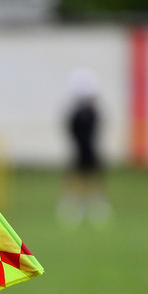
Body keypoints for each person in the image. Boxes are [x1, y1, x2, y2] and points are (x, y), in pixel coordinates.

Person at [57, 68, 111, 226]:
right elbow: (71, 128)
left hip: (90, 148)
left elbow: (96, 128)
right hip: (79, 148)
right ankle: (72, 204)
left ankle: (97, 204)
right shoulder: (78, 112)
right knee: (75, 175)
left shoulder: (92, 111)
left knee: (93, 176)